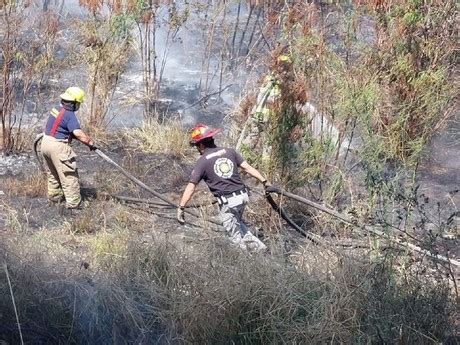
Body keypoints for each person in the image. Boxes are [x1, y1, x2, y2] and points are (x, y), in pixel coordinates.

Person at [178, 124, 269, 252]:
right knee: (237, 225)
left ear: (202, 145)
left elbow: (191, 187)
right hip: (243, 197)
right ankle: (260, 249)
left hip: (229, 202)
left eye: (197, 146)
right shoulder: (230, 151)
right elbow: (247, 168)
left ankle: (246, 265)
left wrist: (181, 207)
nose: (197, 149)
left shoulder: (202, 161)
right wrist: (264, 181)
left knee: (233, 236)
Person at [41, 86, 96, 209]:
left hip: (45, 143)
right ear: (75, 103)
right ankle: (74, 204)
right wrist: (90, 143)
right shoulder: (70, 115)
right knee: (69, 175)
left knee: (53, 172)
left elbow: (59, 126)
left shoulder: (56, 109)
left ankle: (55, 196)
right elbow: (78, 133)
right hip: (58, 147)